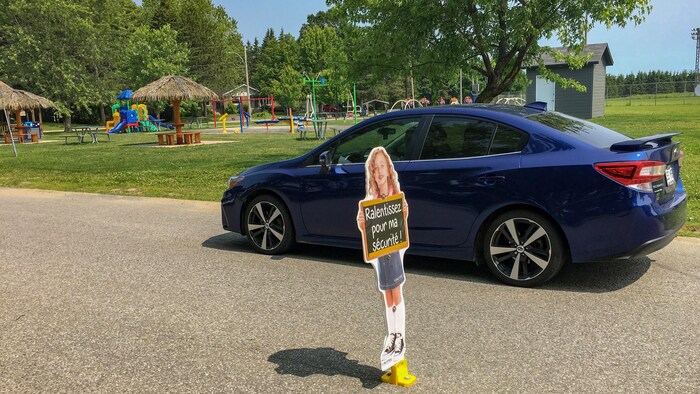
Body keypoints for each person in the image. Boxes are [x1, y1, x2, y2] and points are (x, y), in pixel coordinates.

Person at [357, 147, 409, 368]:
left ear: (389, 169)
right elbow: (369, 230)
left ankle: (399, 336)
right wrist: (362, 222)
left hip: (394, 251)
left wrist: (404, 212)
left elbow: (401, 226)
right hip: (380, 254)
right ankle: (392, 337)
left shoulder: (396, 197)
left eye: (382, 166)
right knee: (387, 297)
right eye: (375, 167)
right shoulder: (372, 200)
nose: (378, 171)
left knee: (396, 293)